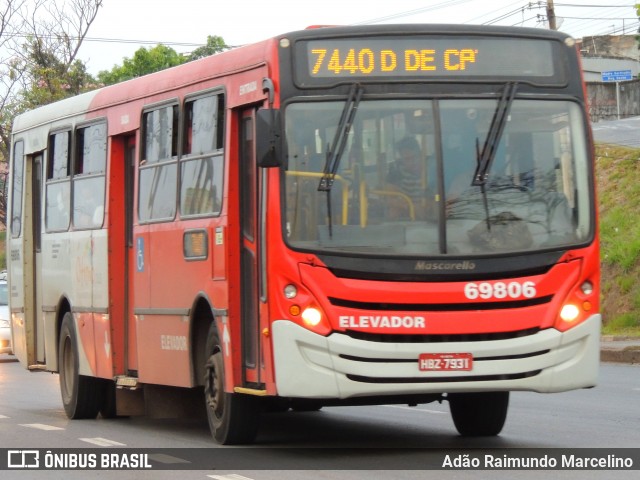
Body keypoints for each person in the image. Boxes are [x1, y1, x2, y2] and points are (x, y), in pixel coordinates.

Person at [385, 136, 436, 220]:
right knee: (393, 211)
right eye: (407, 159)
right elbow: (389, 199)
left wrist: (429, 203)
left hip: (429, 211)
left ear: (421, 154)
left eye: (415, 157)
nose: (412, 163)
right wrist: (409, 205)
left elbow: (438, 196)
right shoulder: (396, 170)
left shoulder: (432, 167)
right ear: (401, 159)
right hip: (406, 209)